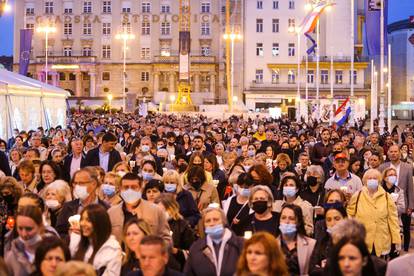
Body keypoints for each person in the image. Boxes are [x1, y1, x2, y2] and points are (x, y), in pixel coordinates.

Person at [347, 169, 401, 257]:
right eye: (369, 178)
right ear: (364, 181)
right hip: (362, 239)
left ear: (379, 181)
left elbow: (393, 220)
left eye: (375, 178)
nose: (372, 180)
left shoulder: (387, 197)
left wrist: (396, 240)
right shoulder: (357, 195)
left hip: (381, 240)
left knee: (379, 268)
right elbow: (350, 215)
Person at [107, 173, 171, 244]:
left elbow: (166, 239)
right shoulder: (111, 213)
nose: (130, 191)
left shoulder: (156, 211)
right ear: (120, 190)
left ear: (141, 189)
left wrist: (154, 250)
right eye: (126, 187)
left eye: (134, 187)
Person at [184, 206, 244, 276]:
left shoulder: (240, 244)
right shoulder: (196, 248)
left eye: (215, 220)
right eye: (208, 221)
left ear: (224, 222)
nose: (212, 223)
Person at [378, 144, 414, 252]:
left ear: (399, 153)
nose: (393, 154)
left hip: (403, 202)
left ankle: (406, 249)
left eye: (395, 151)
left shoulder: (407, 167)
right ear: (388, 153)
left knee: (405, 228)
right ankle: (390, 249)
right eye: (391, 152)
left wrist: (411, 206)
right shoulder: (383, 167)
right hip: (386, 202)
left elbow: (410, 188)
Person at [55, 167, 109, 239]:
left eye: (81, 183)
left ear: (94, 184)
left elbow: (108, 234)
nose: (77, 186)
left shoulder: (106, 208)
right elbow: (59, 233)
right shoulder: (68, 207)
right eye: (75, 183)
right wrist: (69, 236)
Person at [70, 204, 123, 275]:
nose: (83, 223)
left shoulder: (112, 249)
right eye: (82, 219)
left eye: (88, 220)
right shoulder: (77, 240)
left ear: (99, 223)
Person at [156, 194, 195, 270]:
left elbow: (192, 251)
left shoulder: (182, 225)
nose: (160, 213)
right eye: (158, 210)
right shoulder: (152, 224)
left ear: (172, 208)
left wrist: (176, 251)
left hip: (177, 267)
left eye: (163, 210)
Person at [5, 205, 47, 276]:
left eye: (29, 229)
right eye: (20, 228)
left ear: (40, 226)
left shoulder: (52, 250)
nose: (24, 234)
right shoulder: (11, 257)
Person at [278, 204, 316, 276]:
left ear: (298, 222)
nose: (287, 221)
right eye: (283, 218)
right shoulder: (272, 244)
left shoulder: (311, 244)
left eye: (291, 218)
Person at [309, 205, 348, 275]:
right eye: (329, 220)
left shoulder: (352, 243)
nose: (332, 223)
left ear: (345, 219)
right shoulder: (321, 241)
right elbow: (312, 268)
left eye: (337, 219)